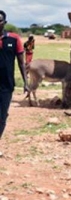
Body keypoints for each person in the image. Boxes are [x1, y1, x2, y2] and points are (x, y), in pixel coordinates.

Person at [0, 10, 29, 154]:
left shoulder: (14, 39)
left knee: (2, 115)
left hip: (6, 84)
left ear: (4, 23)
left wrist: (26, 82)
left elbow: (21, 63)